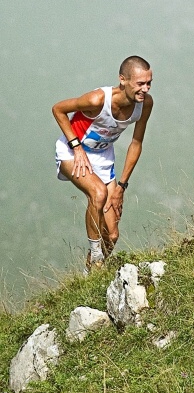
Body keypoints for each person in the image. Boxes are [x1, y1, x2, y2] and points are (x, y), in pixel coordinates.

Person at [52, 56, 154, 270]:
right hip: (73, 151)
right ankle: (97, 256)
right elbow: (58, 109)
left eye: (149, 83)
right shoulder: (97, 100)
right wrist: (77, 147)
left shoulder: (144, 105)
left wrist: (122, 187)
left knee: (113, 235)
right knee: (97, 194)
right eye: (140, 84)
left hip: (103, 157)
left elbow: (136, 143)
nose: (145, 89)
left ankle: (91, 272)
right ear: (123, 80)